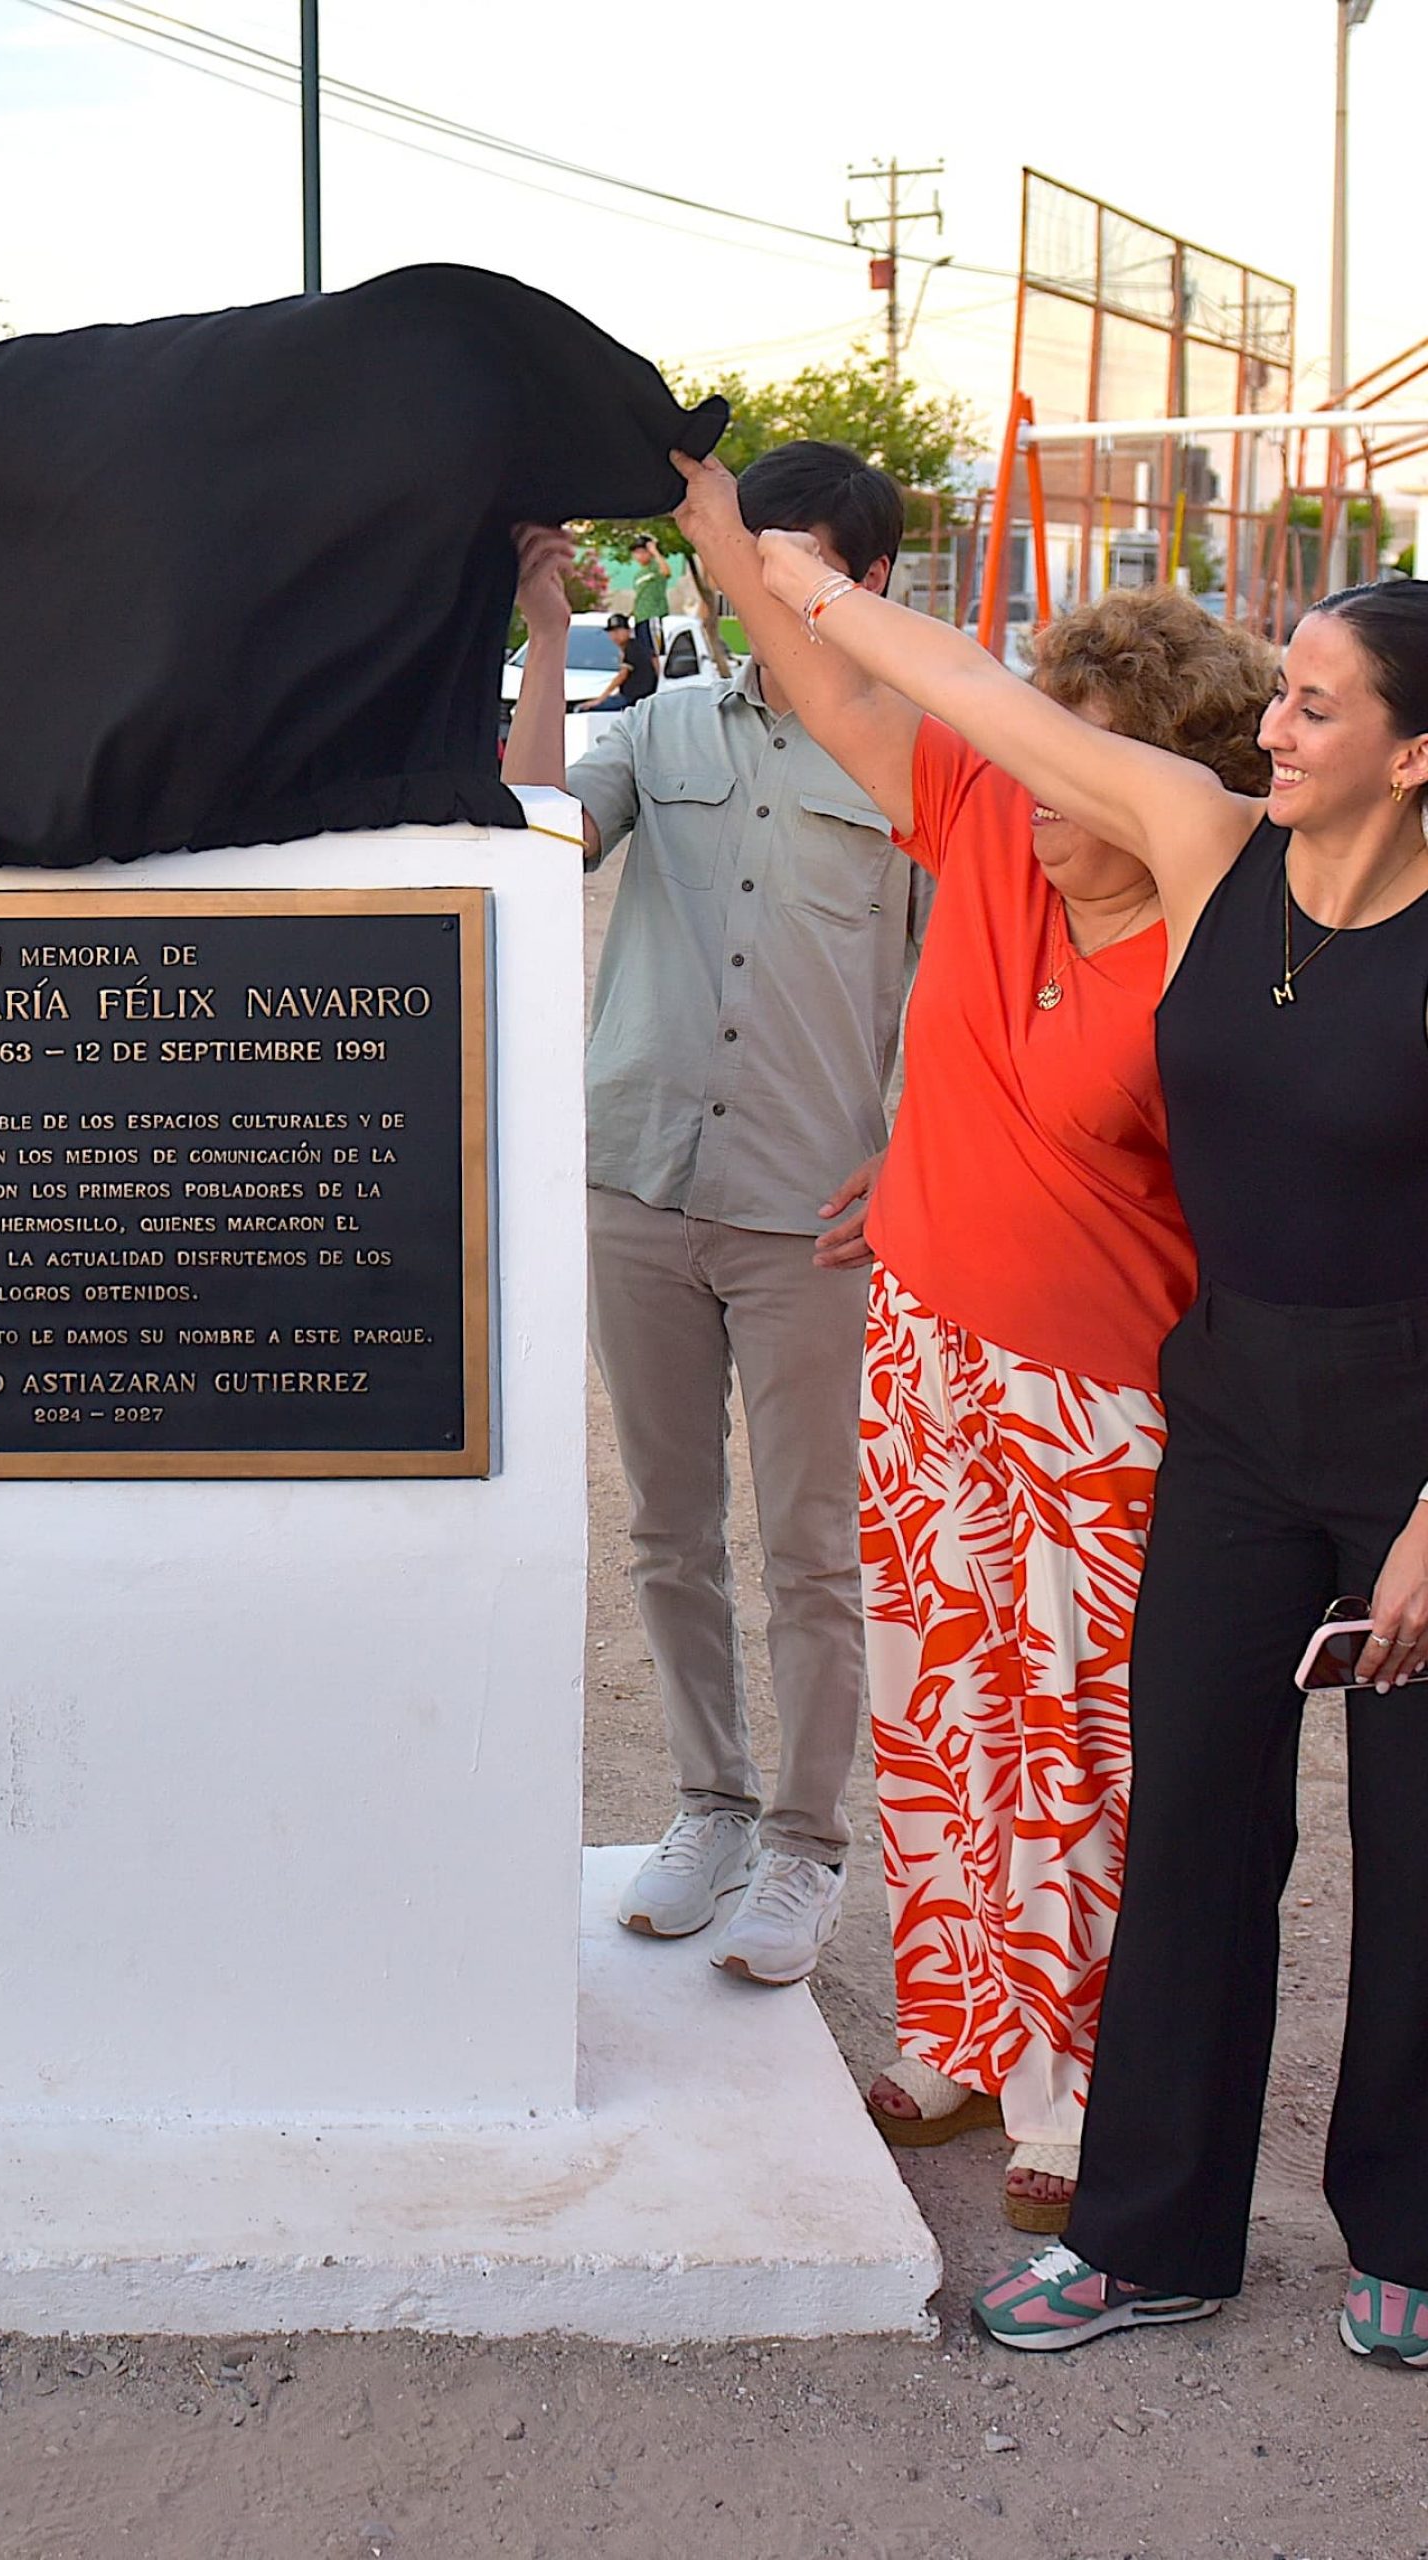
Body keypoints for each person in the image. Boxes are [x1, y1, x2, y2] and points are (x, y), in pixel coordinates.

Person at [754, 528, 1428, 2370]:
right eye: (1278, 695)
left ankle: (1417, 2239)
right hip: (1226, 1413)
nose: (1277, 729)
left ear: (1413, 750)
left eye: (1315, 704)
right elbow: (967, 694)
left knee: (1418, 1848)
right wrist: (791, 573)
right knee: (1196, 1832)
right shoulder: (1223, 851)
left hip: (1406, 1440)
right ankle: (1154, 2241)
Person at [673, 448, 1276, 2232]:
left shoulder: (1211, 929)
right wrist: (724, 540)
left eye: (1065, 757)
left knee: (1071, 1748)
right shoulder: (986, 836)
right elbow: (840, 686)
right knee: (934, 1718)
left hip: (1094, 1408)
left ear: (1151, 769)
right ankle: (951, 2039)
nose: (1027, 783)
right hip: (925, 1354)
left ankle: (1072, 2101)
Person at [504, 441, 931, 1986]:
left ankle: (809, 1848)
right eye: (734, 555)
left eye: (791, 558)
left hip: (812, 1212)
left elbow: (962, 993)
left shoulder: (913, 761)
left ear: (867, 581)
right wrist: (552, 635)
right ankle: (709, 1808)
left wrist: (909, 1159)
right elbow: (525, 838)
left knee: (813, 1546)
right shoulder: (665, 721)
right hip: (639, 1180)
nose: (750, 584)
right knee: (669, 1532)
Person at [577, 610, 660, 714]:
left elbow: (622, 675)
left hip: (633, 700)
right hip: (635, 699)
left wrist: (600, 699)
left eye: (618, 631)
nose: (614, 635)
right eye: (611, 632)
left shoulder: (633, 648)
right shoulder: (629, 648)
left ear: (628, 631)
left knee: (585, 709)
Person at [628, 532, 674, 643]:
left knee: (656, 651)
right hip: (640, 618)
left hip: (654, 616)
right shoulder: (638, 575)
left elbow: (666, 572)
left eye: (643, 552)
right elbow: (639, 595)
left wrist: (655, 551)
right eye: (636, 552)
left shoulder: (656, 566)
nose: (639, 555)